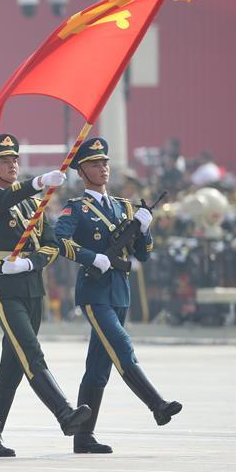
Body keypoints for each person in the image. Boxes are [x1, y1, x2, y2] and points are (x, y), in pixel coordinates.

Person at [54, 137, 182, 454]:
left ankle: (83, 438)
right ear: (82, 171)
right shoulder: (77, 208)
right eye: (96, 164)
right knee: (122, 346)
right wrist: (90, 257)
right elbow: (59, 240)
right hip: (94, 293)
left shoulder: (124, 207)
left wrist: (145, 229)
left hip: (120, 291)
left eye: (105, 162)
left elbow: (144, 253)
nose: (103, 168)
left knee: (99, 366)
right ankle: (157, 405)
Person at [0, 134, 90, 457]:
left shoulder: (32, 204)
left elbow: (51, 242)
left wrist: (31, 261)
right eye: (4, 160)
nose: (12, 163)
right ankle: (64, 413)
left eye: (15, 159)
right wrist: (36, 182)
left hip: (31, 285)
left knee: (12, 365)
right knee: (30, 351)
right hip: (3, 286)